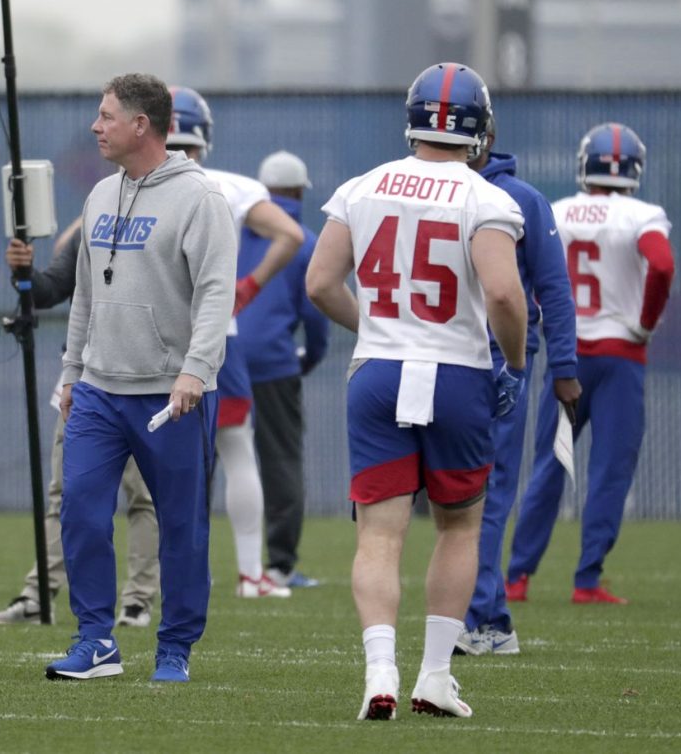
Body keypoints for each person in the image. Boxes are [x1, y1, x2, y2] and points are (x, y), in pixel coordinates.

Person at [305, 62, 527, 720]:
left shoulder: (362, 186)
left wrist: (376, 329)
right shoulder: (485, 197)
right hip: (457, 372)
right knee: (459, 527)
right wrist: (514, 363)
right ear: (478, 129)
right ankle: (433, 675)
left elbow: (319, 283)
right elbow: (503, 293)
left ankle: (379, 673)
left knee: (378, 536)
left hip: (378, 373)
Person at [45, 73, 235, 683]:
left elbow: (216, 293)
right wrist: (72, 372)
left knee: (181, 527)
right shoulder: (100, 194)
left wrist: (195, 372)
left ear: (141, 125)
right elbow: (83, 295)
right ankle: (96, 640)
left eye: (106, 116)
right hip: (99, 391)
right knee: (79, 512)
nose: (96, 127)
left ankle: (174, 648)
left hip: (170, 394)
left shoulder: (200, 198)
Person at [505, 123, 674, 606]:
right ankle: (586, 580)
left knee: (549, 464)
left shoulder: (557, 210)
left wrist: (543, 315)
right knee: (609, 469)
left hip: (569, 357)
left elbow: (527, 268)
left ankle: (517, 577)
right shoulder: (644, 215)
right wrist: (645, 322)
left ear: (586, 164)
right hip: (621, 357)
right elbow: (662, 264)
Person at [0, 220, 161, 627]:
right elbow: (49, 291)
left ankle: (137, 600)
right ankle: (38, 596)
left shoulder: (174, 217)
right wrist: (24, 271)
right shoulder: (96, 221)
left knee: (143, 496)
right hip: (86, 380)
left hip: (145, 380)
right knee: (66, 493)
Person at [166, 87, 305, 598]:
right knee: (237, 449)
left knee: (165, 465)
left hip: (150, 339)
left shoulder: (126, 185)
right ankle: (250, 573)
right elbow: (291, 235)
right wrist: (247, 287)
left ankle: (167, 575)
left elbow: (74, 244)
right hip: (215, 339)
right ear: (203, 134)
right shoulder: (231, 186)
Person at [454, 114, 581, 656]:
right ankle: (486, 615)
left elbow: (553, 289)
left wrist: (565, 367)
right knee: (462, 493)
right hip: (438, 356)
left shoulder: (524, 199)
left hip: (494, 359)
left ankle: (483, 616)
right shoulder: (434, 187)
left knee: (483, 491)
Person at [237, 150, 331, 590]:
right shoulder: (306, 241)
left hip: (220, 356)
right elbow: (317, 315)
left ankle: (187, 565)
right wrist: (308, 358)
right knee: (280, 462)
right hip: (275, 364)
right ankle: (279, 567)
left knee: (205, 461)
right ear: (298, 191)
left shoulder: (235, 230)